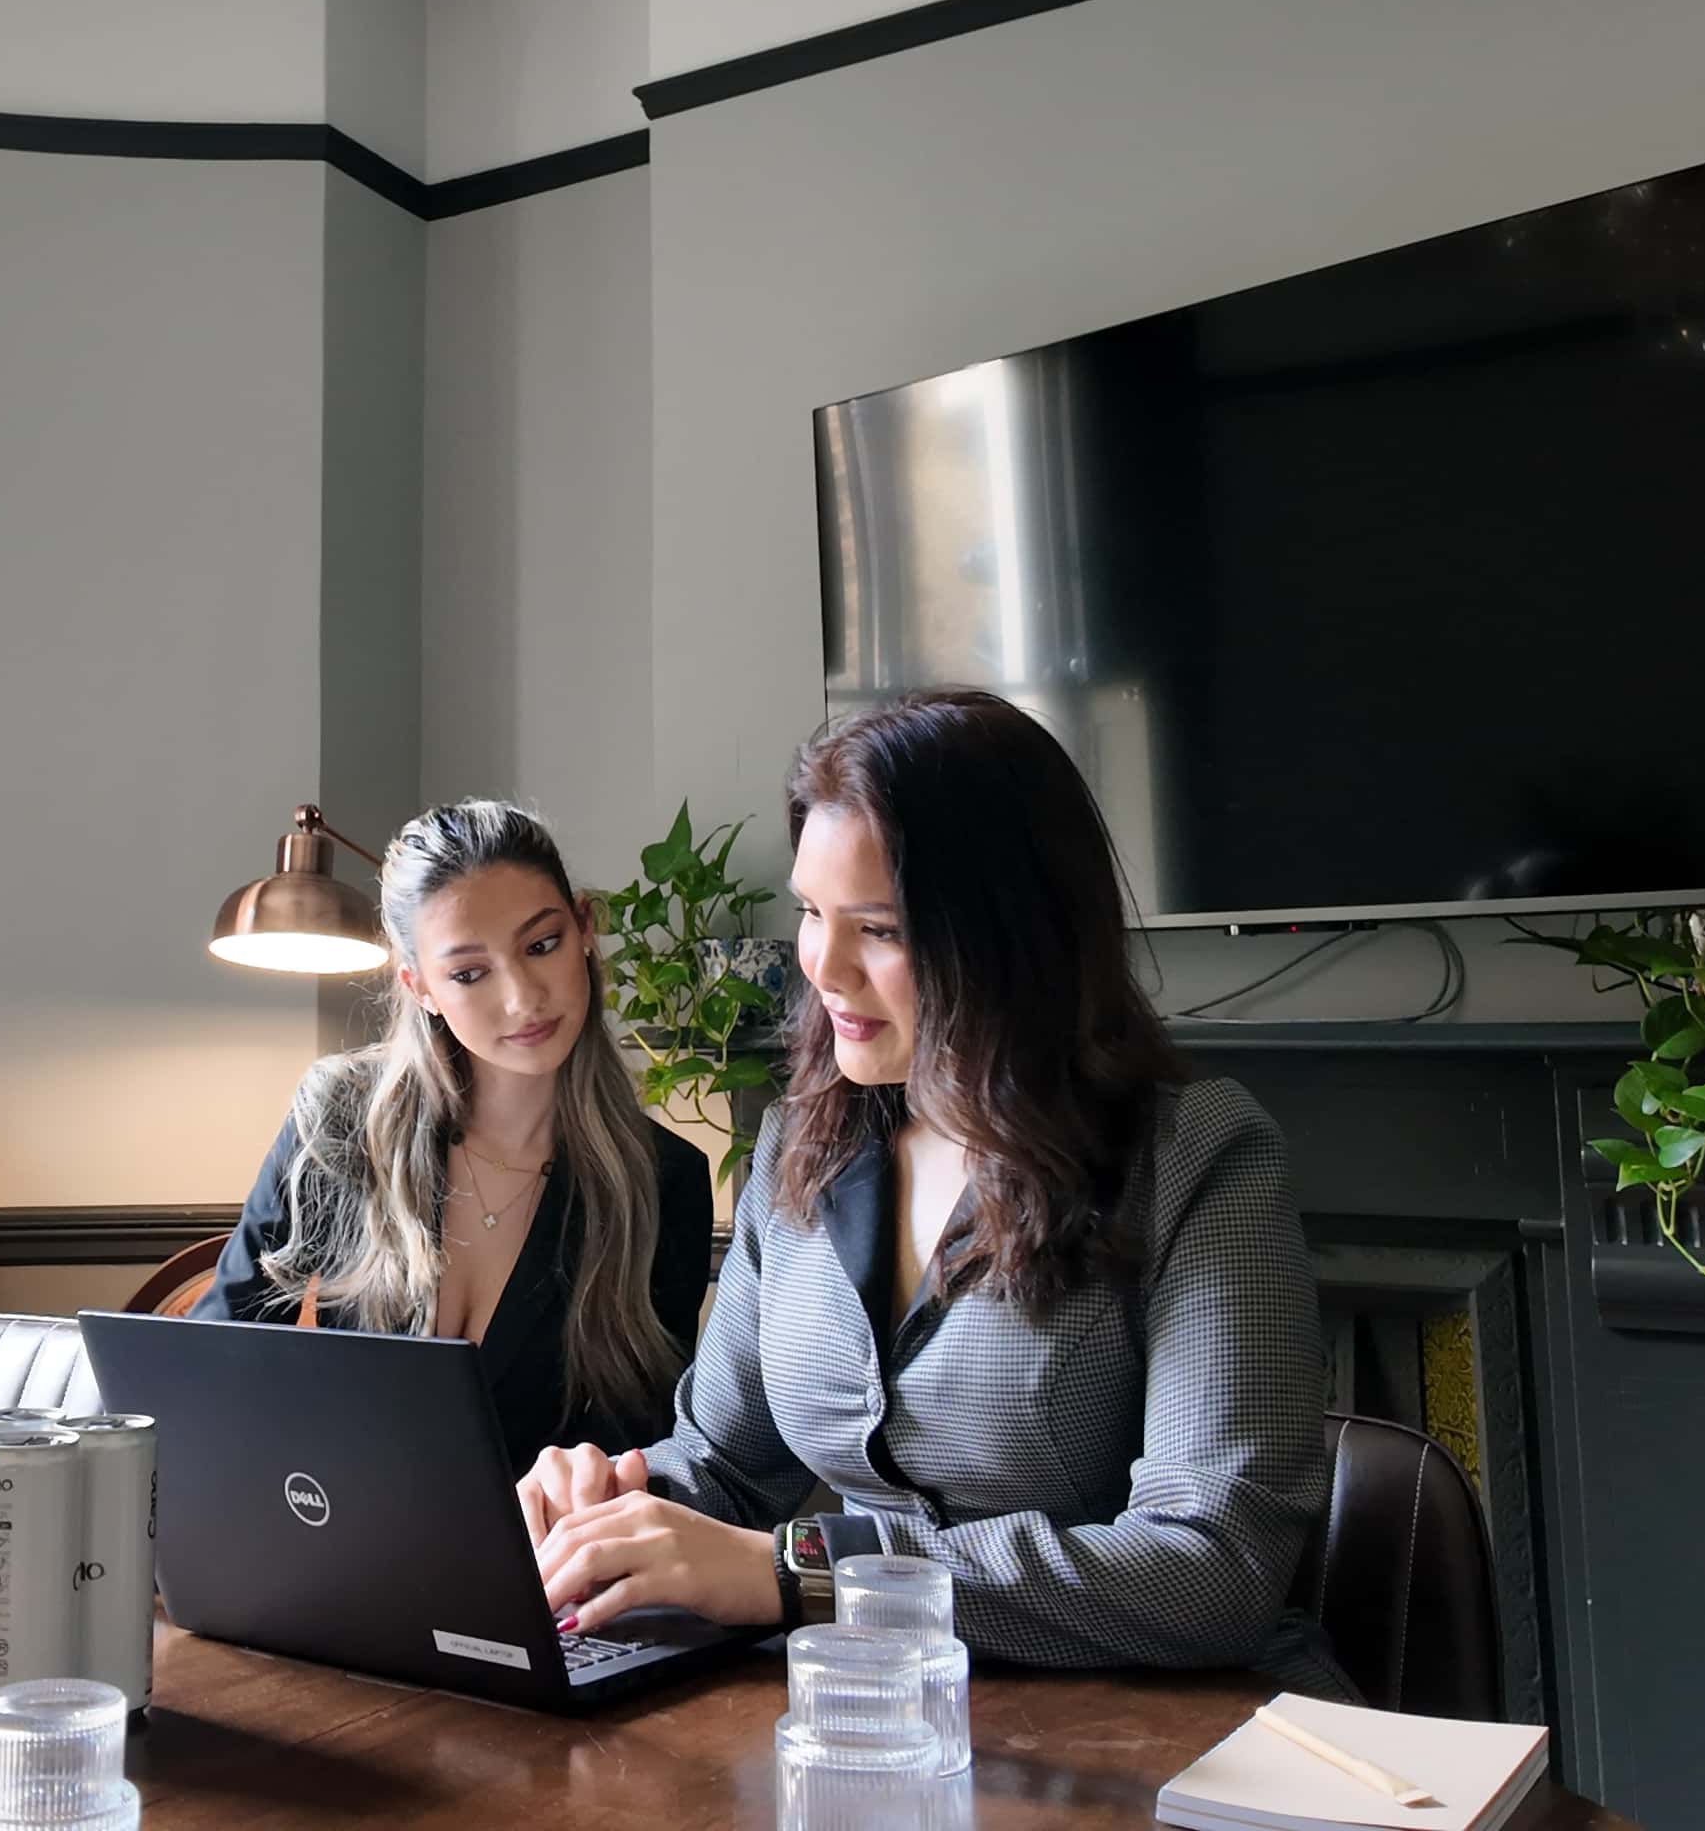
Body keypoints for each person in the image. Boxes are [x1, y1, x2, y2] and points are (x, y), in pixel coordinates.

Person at [521, 691, 1341, 1692]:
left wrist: (811, 1578)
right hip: (884, 1720)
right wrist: (606, 1503)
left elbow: (1215, 1567)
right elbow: (726, 1471)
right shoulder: (797, 1146)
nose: (819, 965)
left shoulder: (1196, 1156)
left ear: (1008, 938)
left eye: (879, 928)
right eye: (812, 912)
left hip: (1166, 1732)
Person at [198, 799, 715, 1468]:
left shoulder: (662, 1179)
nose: (523, 997)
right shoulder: (341, 1118)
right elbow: (216, 1358)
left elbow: (645, 1449)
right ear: (420, 987)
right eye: (470, 973)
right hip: (334, 1545)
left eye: (542, 945)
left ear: (586, 928)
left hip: (547, 1565)